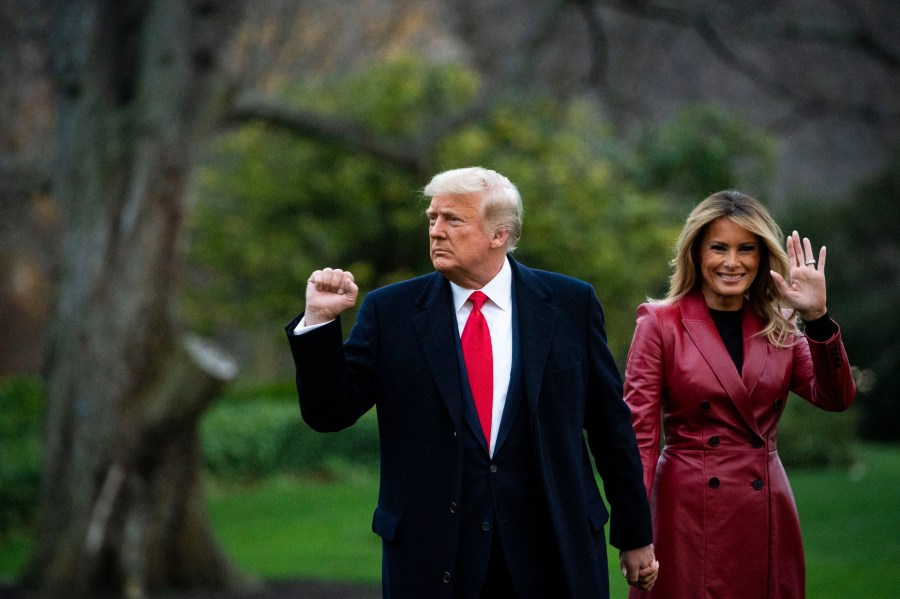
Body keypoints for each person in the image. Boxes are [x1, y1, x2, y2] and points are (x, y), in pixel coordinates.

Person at [285, 167, 658, 598]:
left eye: (452, 220)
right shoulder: (391, 312)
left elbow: (611, 426)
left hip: (554, 549)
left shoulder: (570, 304)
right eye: (432, 218)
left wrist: (635, 534)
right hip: (435, 556)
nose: (436, 232)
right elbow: (329, 414)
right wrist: (318, 322)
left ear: (499, 234)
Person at [624, 190, 856, 598]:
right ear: (697, 253)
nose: (732, 262)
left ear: (762, 257)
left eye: (746, 249)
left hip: (765, 508)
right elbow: (640, 439)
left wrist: (817, 318)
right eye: (719, 248)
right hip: (686, 511)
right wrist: (635, 532)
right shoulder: (659, 323)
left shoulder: (780, 324)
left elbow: (835, 398)